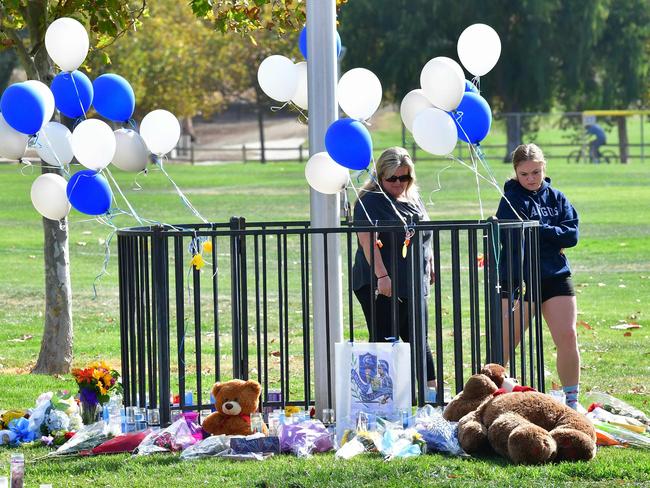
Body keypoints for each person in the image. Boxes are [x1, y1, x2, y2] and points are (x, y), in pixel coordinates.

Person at [496, 143, 581, 409]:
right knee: (506, 343)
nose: (531, 179)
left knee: (567, 336)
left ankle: (572, 400)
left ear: (544, 167)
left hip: (554, 275)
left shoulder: (557, 197)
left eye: (536, 172)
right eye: (525, 174)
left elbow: (572, 235)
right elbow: (515, 233)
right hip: (518, 279)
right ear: (516, 173)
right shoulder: (510, 199)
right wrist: (551, 232)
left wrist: (540, 230)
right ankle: (495, 395)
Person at [352, 147, 437, 394]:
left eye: (405, 177)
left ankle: (432, 398)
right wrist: (382, 276)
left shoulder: (413, 197)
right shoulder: (370, 201)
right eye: (393, 178)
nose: (399, 183)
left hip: (412, 281)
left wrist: (429, 262)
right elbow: (367, 241)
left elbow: (424, 233)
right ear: (380, 176)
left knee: (419, 340)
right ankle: (380, 399)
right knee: (385, 342)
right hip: (381, 283)